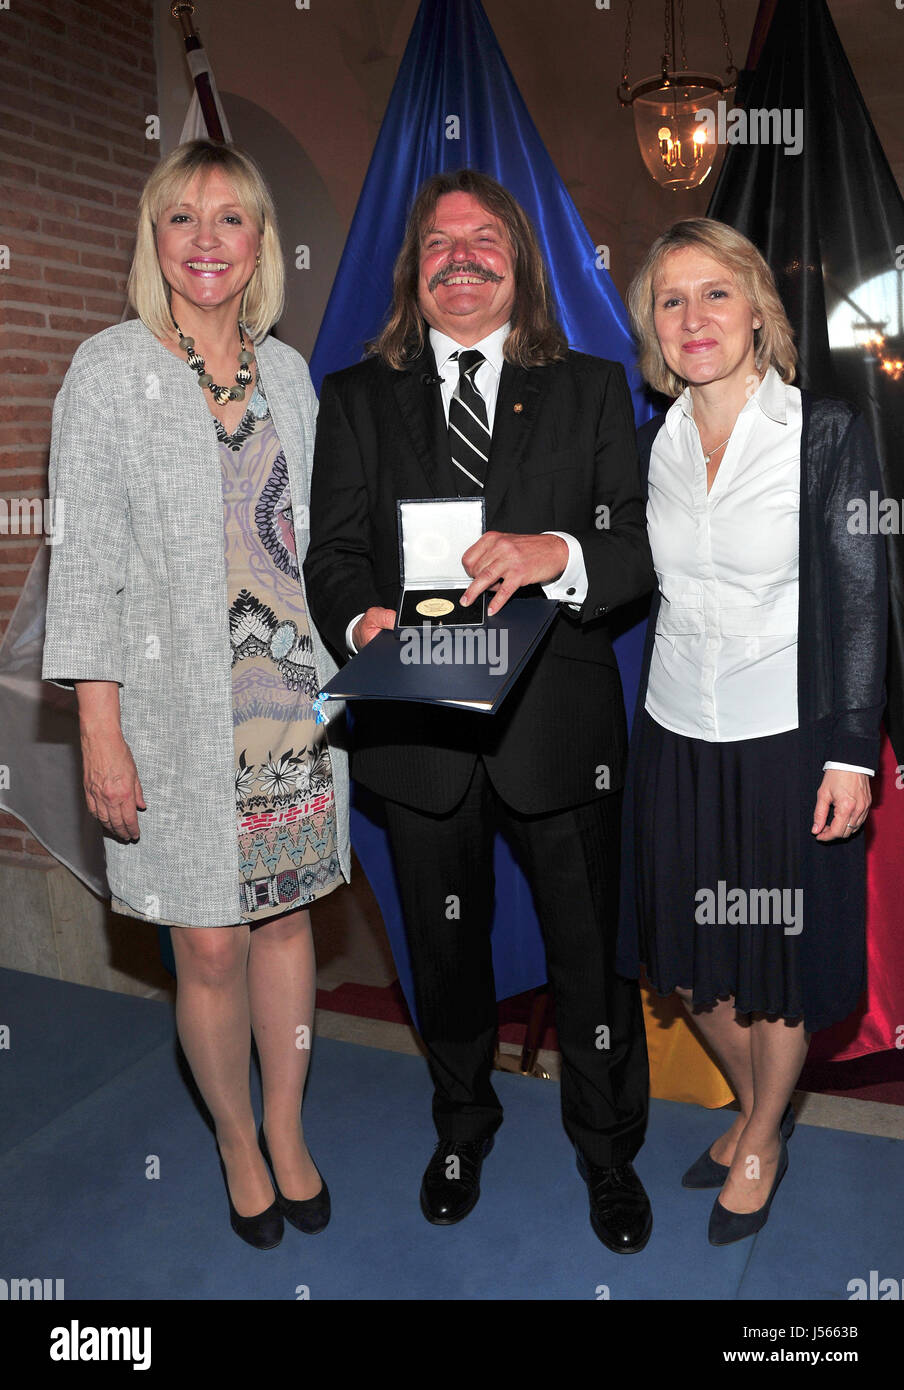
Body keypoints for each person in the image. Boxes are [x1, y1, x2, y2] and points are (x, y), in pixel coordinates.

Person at [304, 168, 656, 1252]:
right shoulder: (358, 397)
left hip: (557, 729)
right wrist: (363, 621)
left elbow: (638, 549)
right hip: (418, 735)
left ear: (518, 262)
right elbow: (332, 556)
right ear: (414, 271)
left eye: (484, 239)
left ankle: (605, 1150)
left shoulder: (594, 388)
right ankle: (461, 1123)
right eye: (439, 242)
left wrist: (556, 551)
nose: (461, 256)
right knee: (442, 952)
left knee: (589, 954)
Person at [42, 139, 350, 1250]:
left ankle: (287, 1123)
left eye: (231, 219)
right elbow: (83, 562)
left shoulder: (293, 375)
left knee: (283, 928)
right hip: (173, 720)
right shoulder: (110, 369)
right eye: (184, 219)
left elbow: (327, 546)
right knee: (209, 945)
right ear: (155, 240)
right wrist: (98, 726)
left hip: (293, 712)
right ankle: (231, 1136)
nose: (207, 240)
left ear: (261, 241)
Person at [621, 218, 887, 1244]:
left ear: (754, 308)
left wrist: (847, 751)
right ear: (653, 324)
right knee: (685, 961)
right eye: (670, 300)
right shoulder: (654, 439)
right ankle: (756, 1104)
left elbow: (860, 598)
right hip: (676, 732)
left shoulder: (822, 431)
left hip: (788, 737)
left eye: (713, 293)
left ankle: (763, 1131)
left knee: (775, 960)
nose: (692, 318)